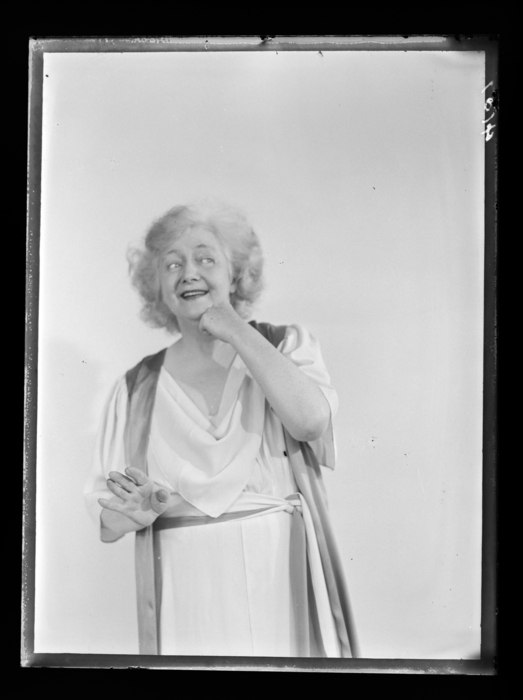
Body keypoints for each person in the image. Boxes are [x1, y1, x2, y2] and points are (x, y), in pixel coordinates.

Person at [84, 202, 358, 658]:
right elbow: (105, 518)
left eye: (205, 258)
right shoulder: (135, 388)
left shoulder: (284, 346)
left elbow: (311, 421)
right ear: (158, 287)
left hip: (278, 568)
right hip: (186, 583)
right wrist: (132, 513)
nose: (188, 272)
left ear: (236, 274)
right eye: (172, 264)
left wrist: (234, 329)